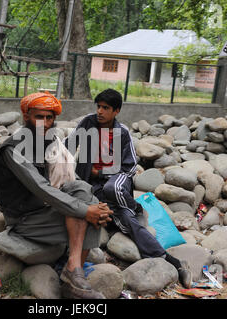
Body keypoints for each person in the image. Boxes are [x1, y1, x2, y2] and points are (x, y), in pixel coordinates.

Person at [64, 88, 192, 288]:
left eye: (105, 108)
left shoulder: (122, 132)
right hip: (90, 185)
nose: (99, 111)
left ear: (116, 111)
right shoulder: (88, 123)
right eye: (98, 106)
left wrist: (102, 173)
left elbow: (130, 166)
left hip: (114, 181)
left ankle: (133, 207)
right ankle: (173, 262)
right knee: (125, 218)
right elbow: (67, 147)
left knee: (111, 190)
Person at [0, 92, 113, 298]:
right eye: (39, 117)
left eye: (50, 118)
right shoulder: (13, 149)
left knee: (84, 193)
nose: (46, 123)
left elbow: (63, 182)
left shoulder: (44, 141)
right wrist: (85, 210)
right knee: (84, 211)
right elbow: (42, 188)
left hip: (43, 209)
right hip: (24, 219)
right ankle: (74, 277)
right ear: (26, 117)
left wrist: (94, 208)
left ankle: (73, 270)